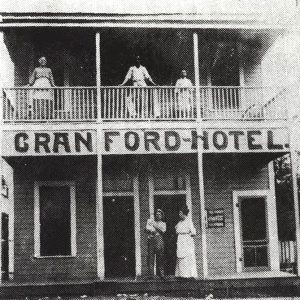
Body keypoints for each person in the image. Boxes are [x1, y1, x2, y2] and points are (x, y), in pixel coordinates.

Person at [175, 205, 197, 279]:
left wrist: (187, 236)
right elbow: (176, 230)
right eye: (179, 213)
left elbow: (193, 232)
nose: (179, 214)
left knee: (187, 258)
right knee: (180, 257)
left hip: (187, 241)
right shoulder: (180, 222)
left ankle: (189, 275)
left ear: (184, 213)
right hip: (180, 241)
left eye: (180, 213)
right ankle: (182, 275)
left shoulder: (189, 221)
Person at [146, 209, 166, 280]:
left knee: (160, 257)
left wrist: (155, 226)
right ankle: (150, 275)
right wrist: (148, 229)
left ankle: (162, 275)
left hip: (159, 240)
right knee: (150, 257)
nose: (158, 216)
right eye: (156, 214)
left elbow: (162, 231)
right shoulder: (151, 222)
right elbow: (146, 230)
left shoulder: (163, 223)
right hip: (151, 240)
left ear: (162, 216)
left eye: (159, 214)